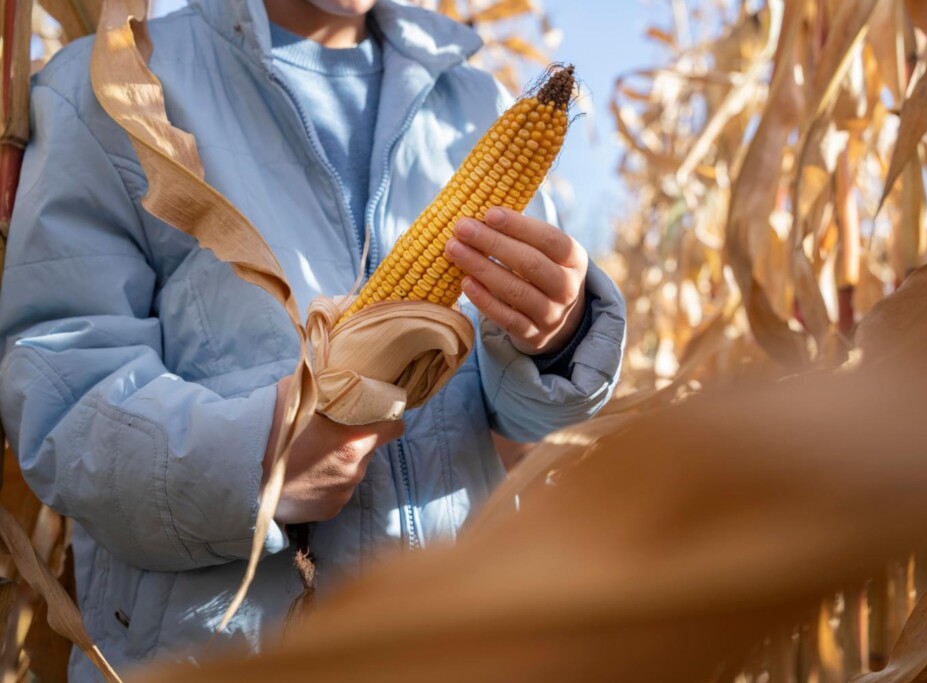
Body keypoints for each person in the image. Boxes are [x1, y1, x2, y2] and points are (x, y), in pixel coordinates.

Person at [0, 0, 625, 678]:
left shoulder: (476, 102)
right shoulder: (110, 88)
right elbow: (59, 389)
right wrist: (257, 459)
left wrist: (556, 338)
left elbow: (521, 423)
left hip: (456, 641)